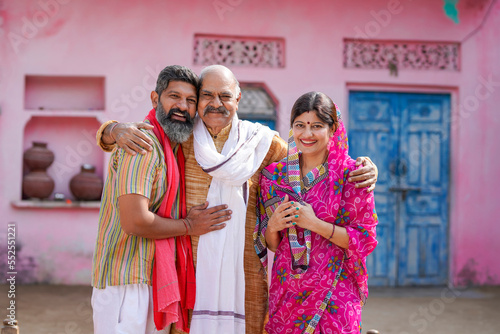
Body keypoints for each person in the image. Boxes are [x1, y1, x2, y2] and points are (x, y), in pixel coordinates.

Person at [97, 65, 379, 334]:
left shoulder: (261, 144)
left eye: (225, 96)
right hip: (188, 270)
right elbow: (145, 135)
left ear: (238, 98)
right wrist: (111, 130)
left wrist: (365, 167)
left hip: (245, 275)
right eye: (207, 95)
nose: (215, 103)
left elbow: (308, 156)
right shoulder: (180, 138)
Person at [91, 65, 232, 334]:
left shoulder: (176, 145)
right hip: (126, 279)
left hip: (153, 277)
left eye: (191, 101)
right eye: (174, 97)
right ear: (156, 99)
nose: (182, 107)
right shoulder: (143, 145)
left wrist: (110, 130)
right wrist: (189, 226)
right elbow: (135, 221)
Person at [254, 92, 378, 334]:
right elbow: (272, 245)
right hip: (288, 291)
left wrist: (313, 223)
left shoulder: (352, 176)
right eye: (300, 125)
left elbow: (364, 240)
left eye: (317, 126)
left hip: (336, 291)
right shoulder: (274, 176)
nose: (307, 134)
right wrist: (272, 227)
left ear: (333, 130)